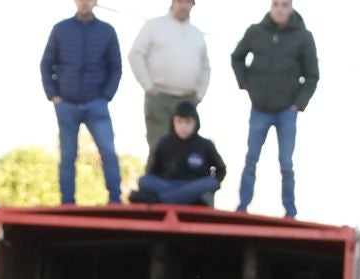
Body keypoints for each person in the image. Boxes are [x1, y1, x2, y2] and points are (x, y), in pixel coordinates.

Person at [229, 0, 318, 218]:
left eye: (284, 5)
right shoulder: (256, 31)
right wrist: (245, 83)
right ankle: (242, 207)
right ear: (271, 6)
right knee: (251, 159)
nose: (280, 9)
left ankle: (290, 211)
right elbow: (237, 57)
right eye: (276, 4)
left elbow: (312, 76)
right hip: (259, 108)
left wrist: (299, 104)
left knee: (286, 163)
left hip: (287, 110)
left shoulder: (304, 37)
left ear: (291, 8)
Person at [41, 0, 124, 205]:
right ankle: (67, 202)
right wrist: (54, 96)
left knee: (108, 152)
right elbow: (46, 64)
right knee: (68, 156)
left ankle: (115, 199)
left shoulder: (107, 31)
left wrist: (106, 95)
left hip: (96, 103)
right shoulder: (60, 30)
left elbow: (116, 67)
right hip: (66, 104)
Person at [128, 0, 211, 149]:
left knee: (184, 151)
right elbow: (135, 55)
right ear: (173, 3)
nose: (183, 6)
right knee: (159, 148)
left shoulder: (196, 34)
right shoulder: (154, 26)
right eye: (180, 1)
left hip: (187, 99)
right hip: (159, 98)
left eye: (187, 2)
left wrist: (199, 94)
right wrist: (148, 85)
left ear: (192, 5)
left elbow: (206, 67)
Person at [130, 100, 228, 206]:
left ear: (195, 122)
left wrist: (209, 184)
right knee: (144, 180)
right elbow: (152, 172)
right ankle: (188, 200)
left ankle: (159, 200)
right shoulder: (164, 142)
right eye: (179, 122)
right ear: (173, 122)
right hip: (167, 184)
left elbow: (221, 170)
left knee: (211, 182)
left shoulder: (205, 144)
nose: (183, 126)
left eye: (188, 122)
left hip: (194, 186)